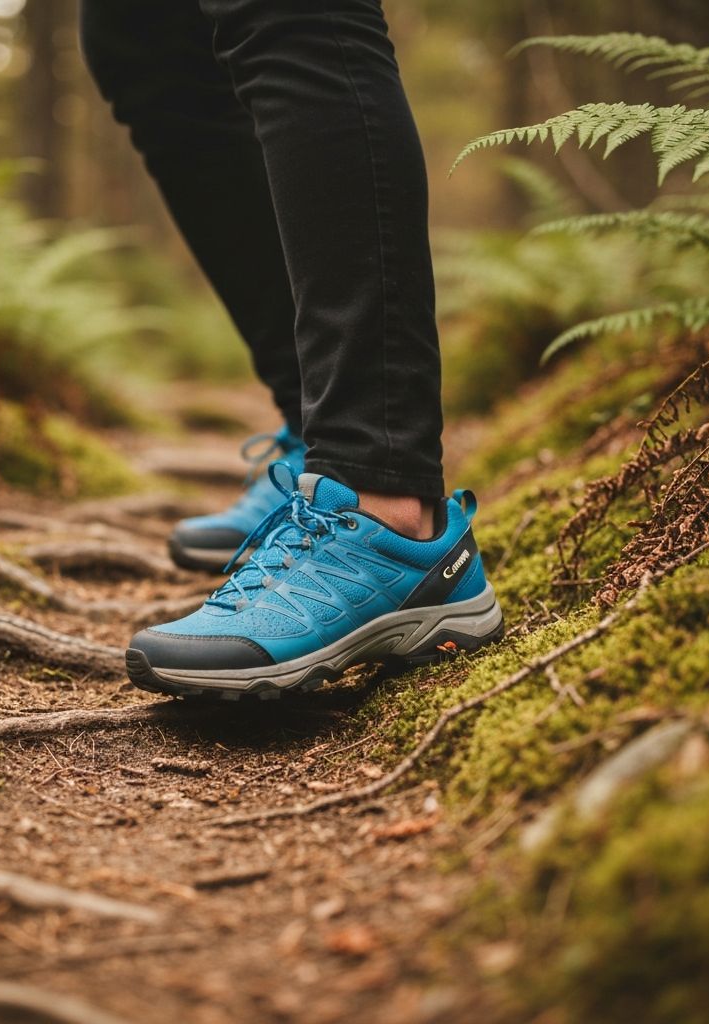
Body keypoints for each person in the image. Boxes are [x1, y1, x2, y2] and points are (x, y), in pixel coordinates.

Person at [80, 0, 503, 699]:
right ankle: (317, 436)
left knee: (294, 12)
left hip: (386, 489)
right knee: (143, 41)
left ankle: (382, 498)